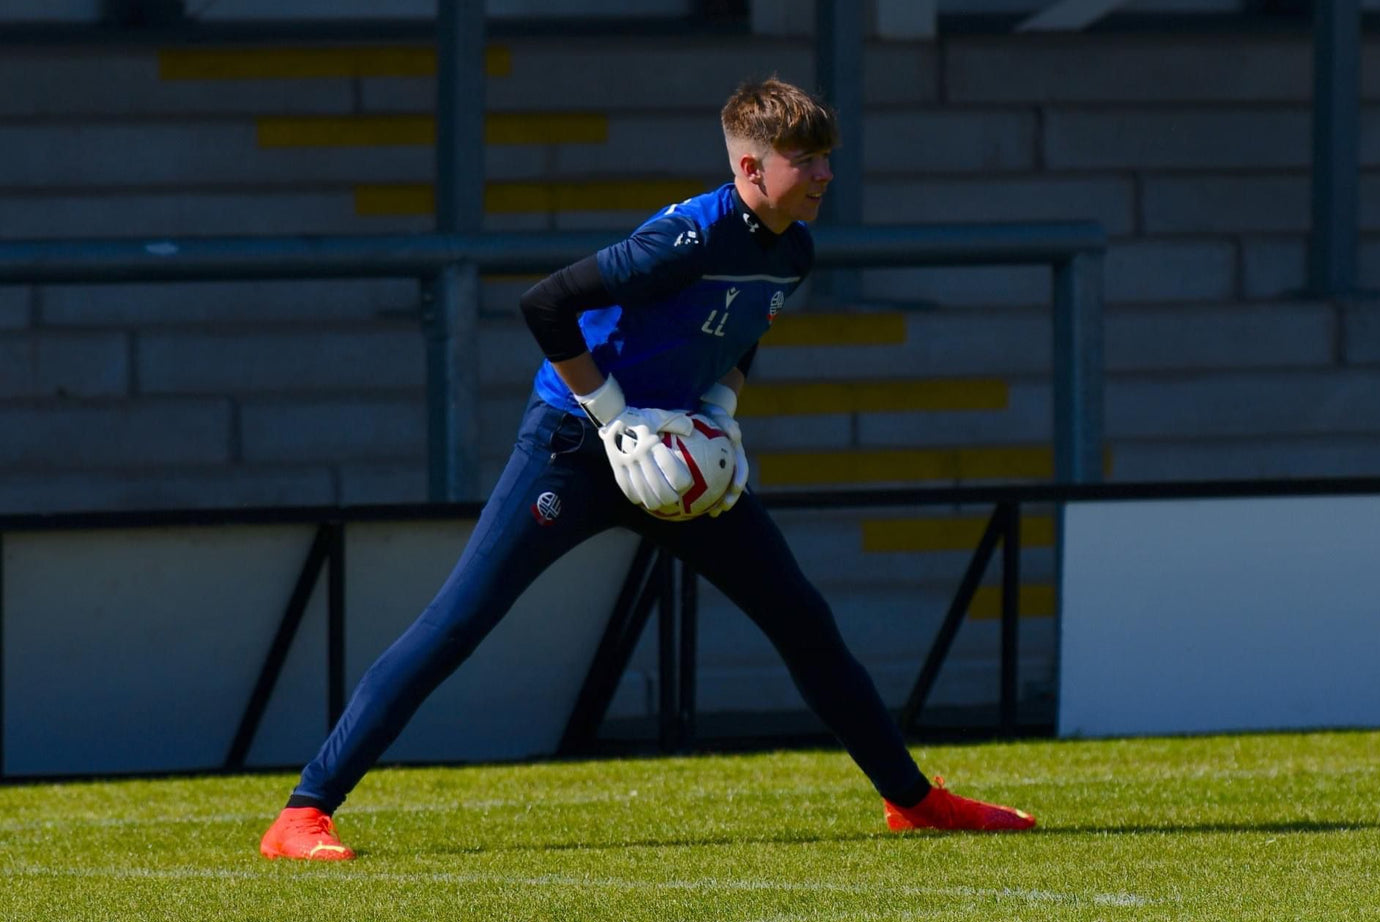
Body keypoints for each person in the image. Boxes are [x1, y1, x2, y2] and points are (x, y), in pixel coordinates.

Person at [259, 77, 1035, 861]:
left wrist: (721, 409)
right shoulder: (686, 239)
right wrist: (615, 417)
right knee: (459, 621)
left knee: (803, 621)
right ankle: (302, 813)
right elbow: (545, 306)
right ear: (749, 169)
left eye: (827, 158)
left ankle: (912, 800)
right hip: (575, 442)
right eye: (806, 159)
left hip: (680, 464)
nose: (826, 174)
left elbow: (741, 330)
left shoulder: (794, 249)